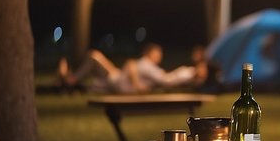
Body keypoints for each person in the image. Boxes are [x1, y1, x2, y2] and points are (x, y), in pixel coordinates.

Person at [58, 42, 198, 94]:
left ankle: (70, 80)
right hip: (118, 78)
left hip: (118, 80)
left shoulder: (150, 67)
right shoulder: (146, 64)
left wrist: (188, 73)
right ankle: (70, 81)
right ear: (150, 53)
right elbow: (131, 65)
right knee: (94, 58)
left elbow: (166, 80)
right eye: (157, 53)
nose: (160, 56)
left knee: (94, 56)